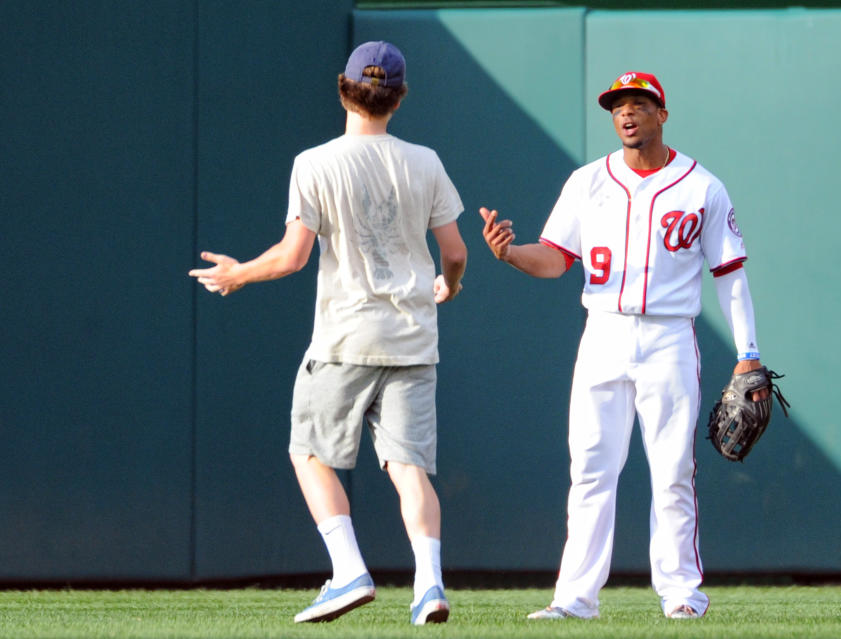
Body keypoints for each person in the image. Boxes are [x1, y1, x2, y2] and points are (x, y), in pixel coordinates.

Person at [189, 41, 467, 626]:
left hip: (344, 338)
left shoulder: (315, 162)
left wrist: (238, 273)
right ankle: (431, 586)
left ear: (343, 88)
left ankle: (348, 573)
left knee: (308, 452)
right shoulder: (427, 161)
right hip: (414, 338)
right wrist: (450, 284)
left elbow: (292, 257)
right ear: (400, 96)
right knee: (408, 467)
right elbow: (457, 253)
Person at [480, 71, 767, 620]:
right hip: (604, 334)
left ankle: (682, 592)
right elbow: (555, 258)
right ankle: (574, 599)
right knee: (590, 468)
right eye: (617, 108)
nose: (627, 114)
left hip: (668, 337)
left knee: (673, 469)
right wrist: (511, 254)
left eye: (638, 104)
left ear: (662, 113)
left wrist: (747, 352)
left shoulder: (702, 186)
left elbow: (729, 274)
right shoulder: (587, 181)